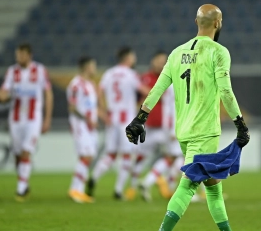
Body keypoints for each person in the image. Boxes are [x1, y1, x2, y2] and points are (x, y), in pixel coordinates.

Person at [125, 4, 257, 231]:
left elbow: (158, 88)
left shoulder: (176, 53)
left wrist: (140, 118)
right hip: (204, 132)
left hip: (183, 132)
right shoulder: (218, 52)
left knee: (213, 185)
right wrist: (240, 124)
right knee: (188, 186)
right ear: (218, 23)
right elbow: (226, 92)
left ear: (195, 21)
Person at [0, 43, 53, 202]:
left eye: (21, 55)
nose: (18, 58)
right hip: (15, 119)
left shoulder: (40, 70)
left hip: (33, 118)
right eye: (17, 55)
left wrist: (47, 118)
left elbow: (48, 94)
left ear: (29, 55)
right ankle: (24, 183)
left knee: (26, 151)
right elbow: (3, 96)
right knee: (17, 155)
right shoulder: (12, 72)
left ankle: (20, 189)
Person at [87, 47, 148, 200]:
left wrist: (103, 109)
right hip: (126, 120)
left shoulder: (108, 74)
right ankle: (118, 190)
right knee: (127, 156)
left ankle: (94, 177)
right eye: (133, 56)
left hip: (112, 118)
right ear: (127, 58)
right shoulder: (131, 75)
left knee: (110, 154)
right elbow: (143, 91)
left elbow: (99, 92)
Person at [125, 51, 184, 202]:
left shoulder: (170, 81)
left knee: (175, 157)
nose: (162, 64)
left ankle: (167, 187)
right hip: (154, 128)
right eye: (160, 61)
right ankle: (141, 184)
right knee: (168, 157)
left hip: (165, 127)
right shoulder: (160, 81)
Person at [67, 57, 100, 203]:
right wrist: (87, 119)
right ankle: (76, 190)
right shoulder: (76, 85)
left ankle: (76, 188)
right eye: (93, 66)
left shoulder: (91, 84)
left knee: (89, 156)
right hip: (81, 125)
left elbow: (91, 107)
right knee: (85, 156)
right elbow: (72, 107)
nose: (95, 68)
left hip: (90, 126)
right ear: (86, 67)